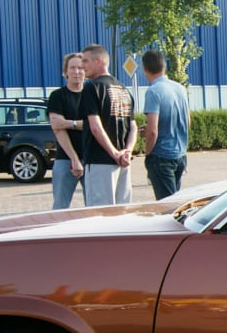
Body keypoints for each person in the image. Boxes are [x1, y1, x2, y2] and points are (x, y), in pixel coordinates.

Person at [80, 43, 136, 206]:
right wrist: (127, 151)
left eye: (85, 61)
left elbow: (95, 127)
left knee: (99, 214)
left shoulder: (92, 88)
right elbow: (132, 127)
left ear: (98, 61)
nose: (82, 66)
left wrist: (114, 154)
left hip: (99, 162)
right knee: (122, 211)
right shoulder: (123, 89)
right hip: (123, 164)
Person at [141, 49, 190, 199]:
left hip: (161, 156)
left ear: (144, 68)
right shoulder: (180, 88)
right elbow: (187, 121)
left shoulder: (153, 91)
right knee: (175, 202)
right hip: (180, 154)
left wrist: (147, 152)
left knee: (166, 206)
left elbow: (153, 131)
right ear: (164, 66)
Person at [46, 52, 89, 209]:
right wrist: (74, 159)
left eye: (80, 68)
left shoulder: (91, 95)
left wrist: (68, 123)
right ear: (65, 72)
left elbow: (96, 125)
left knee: (93, 208)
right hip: (65, 160)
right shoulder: (57, 96)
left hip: (91, 160)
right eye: (72, 68)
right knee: (60, 207)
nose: (76, 72)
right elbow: (57, 128)